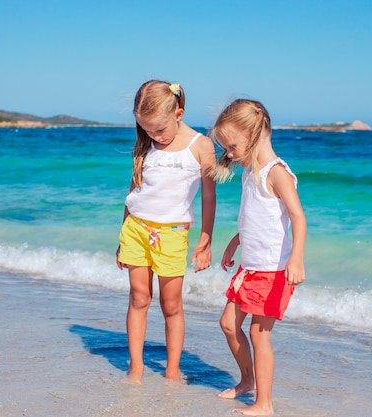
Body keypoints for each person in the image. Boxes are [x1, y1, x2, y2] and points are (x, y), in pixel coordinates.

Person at [210, 99, 306, 416]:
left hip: (273, 270)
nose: (229, 154)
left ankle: (265, 404)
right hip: (250, 267)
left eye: (232, 146)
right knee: (227, 323)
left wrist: (297, 259)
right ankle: (248, 380)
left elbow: (297, 217)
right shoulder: (249, 173)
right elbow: (256, 219)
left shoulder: (276, 173)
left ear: (254, 134)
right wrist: (236, 241)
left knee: (257, 333)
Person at [116, 80, 216, 384]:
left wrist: (206, 239)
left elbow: (209, 196)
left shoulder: (200, 145)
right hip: (135, 229)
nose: (154, 136)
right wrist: (121, 238)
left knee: (170, 304)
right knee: (139, 297)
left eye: (159, 130)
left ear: (179, 113)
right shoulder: (146, 145)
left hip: (172, 235)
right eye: (147, 130)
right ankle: (136, 368)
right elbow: (134, 192)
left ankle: (172, 370)